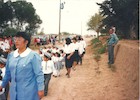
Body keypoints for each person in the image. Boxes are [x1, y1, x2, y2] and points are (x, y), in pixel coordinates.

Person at [0, 32, 44, 100]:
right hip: (14, 91)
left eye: (19, 39)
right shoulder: (11, 55)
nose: (16, 41)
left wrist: (40, 89)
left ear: (26, 42)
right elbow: (8, 73)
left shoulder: (33, 56)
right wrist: (2, 85)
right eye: (15, 39)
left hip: (29, 91)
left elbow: (39, 74)